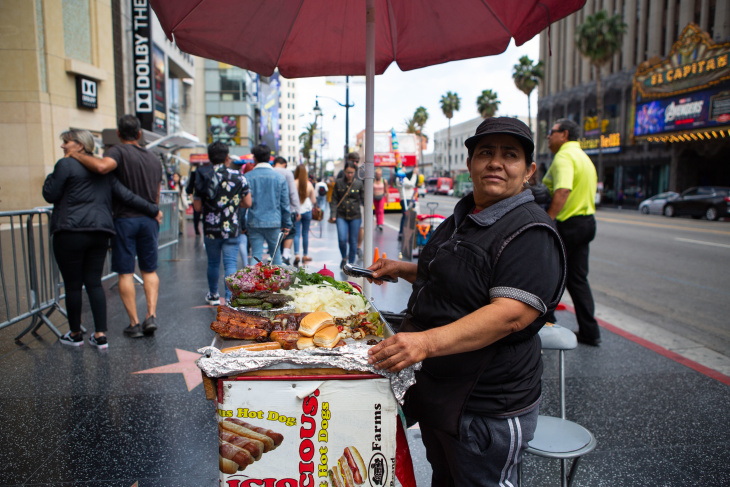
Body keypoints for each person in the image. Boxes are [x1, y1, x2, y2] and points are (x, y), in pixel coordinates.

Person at [366, 117, 565, 487]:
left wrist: (424, 343)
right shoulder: (466, 214)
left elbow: (510, 315)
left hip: (486, 405)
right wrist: (405, 268)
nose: (496, 162)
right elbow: (459, 274)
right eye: (486, 153)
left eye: (510, 155)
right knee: (445, 479)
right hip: (442, 392)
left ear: (529, 171)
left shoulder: (531, 231)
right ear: (470, 163)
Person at [43, 129, 161, 349]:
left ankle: (76, 333)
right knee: (95, 283)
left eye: (66, 142)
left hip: (70, 231)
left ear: (79, 145)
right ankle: (100, 335)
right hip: (100, 232)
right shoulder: (104, 170)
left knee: (73, 285)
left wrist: (54, 171)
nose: (63, 146)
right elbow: (125, 195)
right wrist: (153, 209)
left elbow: (50, 194)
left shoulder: (65, 165)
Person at [69, 114, 163, 339]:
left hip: (125, 220)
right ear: (139, 134)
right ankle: (151, 315)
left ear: (119, 134)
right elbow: (157, 194)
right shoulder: (154, 158)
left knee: (126, 271)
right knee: (149, 270)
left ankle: (135, 323)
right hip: (149, 220)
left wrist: (76, 154)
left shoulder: (117, 152)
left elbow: (102, 167)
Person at [544, 118, 601, 346]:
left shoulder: (564, 156)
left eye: (551, 131)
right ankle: (590, 331)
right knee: (578, 280)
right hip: (587, 223)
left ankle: (547, 324)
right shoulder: (584, 157)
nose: (548, 136)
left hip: (568, 225)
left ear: (564, 134)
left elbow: (563, 190)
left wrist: (547, 220)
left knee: (549, 275)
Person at [193, 142, 252, 305]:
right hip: (232, 227)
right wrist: (232, 205)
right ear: (227, 157)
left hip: (211, 228)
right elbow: (248, 203)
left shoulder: (202, 174)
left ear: (210, 158)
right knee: (230, 263)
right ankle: (229, 298)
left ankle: (213, 295)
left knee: (212, 263)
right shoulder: (239, 176)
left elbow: (197, 206)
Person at [245, 145, 291, 264]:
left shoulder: (247, 177)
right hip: (274, 222)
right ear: (269, 158)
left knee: (256, 256)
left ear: (255, 158)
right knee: (276, 257)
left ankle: (255, 282)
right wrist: (287, 223)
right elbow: (285, 203)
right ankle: (278, 283)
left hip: (254, 221)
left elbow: (243, 204)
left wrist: (242, 223)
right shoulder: (279, 178)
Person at [329, 161, 364, 269]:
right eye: (348, 172)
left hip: (355, 216)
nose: (350, 175)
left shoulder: (359, 183)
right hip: (341, 215)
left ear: (355, 172)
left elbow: (364, 200)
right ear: (344, 171)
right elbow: (334, 199)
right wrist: (333, 214)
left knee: (353, 241)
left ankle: (351, 263)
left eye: (352, 172)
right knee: (342, 239)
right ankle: (344, 257)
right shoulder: (339, 182)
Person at [272, 156, 301, 265]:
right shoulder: (287, 173)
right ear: (284, 164)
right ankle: (286, 256)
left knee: (276, 234)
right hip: (289, 208)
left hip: (273, 210)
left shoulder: (270, 172)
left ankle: (276, 257)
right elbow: (293, 192)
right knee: (290, 233)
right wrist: (297, 209)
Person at [336, 152, 364, 259]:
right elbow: (336, 194)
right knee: (343, 237)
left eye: (357, 161)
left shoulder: (361, 173)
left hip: (357, 207)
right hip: (342, 210)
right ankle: (345, 256)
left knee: (358, 231)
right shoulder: (341, 174)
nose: (356, 163)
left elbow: (365, 191)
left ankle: (358, 247)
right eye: (354, 161)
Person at [292, 165, 317, 266]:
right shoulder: (309, 184)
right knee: (305, 233)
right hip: (307, 210)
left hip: (296, 211)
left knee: (296, 234)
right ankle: (305, 255)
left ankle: (297, 255)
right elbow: (314, 200)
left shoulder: (293, 183)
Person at [396, 166, 419, 240]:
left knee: (405, 216)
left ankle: (402, 232)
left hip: (407, 199)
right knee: (407, 217)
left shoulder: (402, 177)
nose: (405, 168)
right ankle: (404, 233)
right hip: (406, 200)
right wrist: (414, 174)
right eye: (404, 167)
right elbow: (411, 184)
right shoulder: (401, 177)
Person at [186, 165, 202, 235]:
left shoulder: (194, 174)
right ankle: (198, 230)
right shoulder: (209, 172)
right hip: (205, 197)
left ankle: (197, 229)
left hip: (197, 197)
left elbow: (189, 189)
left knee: (197, 215)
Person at [373, 167, 389, 231]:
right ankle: (377, 223)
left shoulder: (384, 181)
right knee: (376, 211)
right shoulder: (373, 181)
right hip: (375, 197)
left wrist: (388, 201)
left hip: (381, 197)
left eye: (379, 174)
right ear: (375, 174)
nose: (378, 175)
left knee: (381, 210)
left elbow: (387, 191)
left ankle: (381, 224)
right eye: (377, 174)